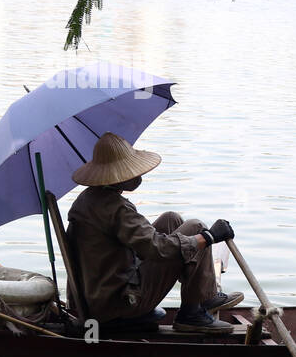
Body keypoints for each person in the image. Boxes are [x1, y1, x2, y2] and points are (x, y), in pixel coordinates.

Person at [65, 132, 242, 335]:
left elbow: (141, 239)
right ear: (117, 176)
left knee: (171, 219)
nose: (137, 175)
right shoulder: (115, 208)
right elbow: (156, 248)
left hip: (101, 296)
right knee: (195, 226)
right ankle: (193, 313)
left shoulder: (88, 200)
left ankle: (201, 296)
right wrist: (208, 237)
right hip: (120, 303)